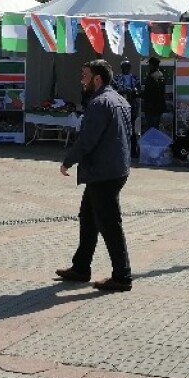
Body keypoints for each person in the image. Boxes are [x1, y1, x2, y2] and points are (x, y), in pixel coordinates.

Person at [55, 59, 134, 292]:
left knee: (110, 224)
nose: (82, 80)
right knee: (88, 217)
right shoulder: (120, 100)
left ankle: (122, 276)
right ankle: (80, 267)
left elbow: (87, 140)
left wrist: (68, 161)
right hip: (114, 169)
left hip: (104, 172)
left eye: (85, 75)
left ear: (97, 79)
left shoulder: (99, 103)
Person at [111, 59, 142, 157]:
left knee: (131, 128)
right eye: (124, 67)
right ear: (121, 68)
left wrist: (133, 92)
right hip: (120, 105)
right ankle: (120, 150)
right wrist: (123, 91)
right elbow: (113, 90)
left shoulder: (134, 78)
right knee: (120, 127)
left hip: (132, 105)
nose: (126, 69)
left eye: (128, 67)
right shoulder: (116, 78)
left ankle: (133, 151)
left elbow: (138, 91)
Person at [141, 57, 167, 135]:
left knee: (153, 129)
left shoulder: (156, 76)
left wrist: (140, 94)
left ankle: (153, 145)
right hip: (153, 107)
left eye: (150, 65)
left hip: (153, 108)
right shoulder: (155, 75)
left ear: (154, 65)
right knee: (153, 128)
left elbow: (154, 93)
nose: (149, 66)